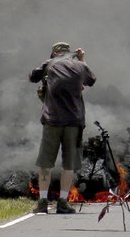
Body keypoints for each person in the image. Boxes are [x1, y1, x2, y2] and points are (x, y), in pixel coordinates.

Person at [28, 41, 97, 214]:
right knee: (69, 165)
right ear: (70, 53)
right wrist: (82, 60)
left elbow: (32, 77)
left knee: (45, 163)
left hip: (52, 121)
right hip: (74, 122)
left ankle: (43, 202)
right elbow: (92, 80)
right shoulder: (80, 66)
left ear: (54, 53)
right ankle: (63, 202)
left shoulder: (49, 63)